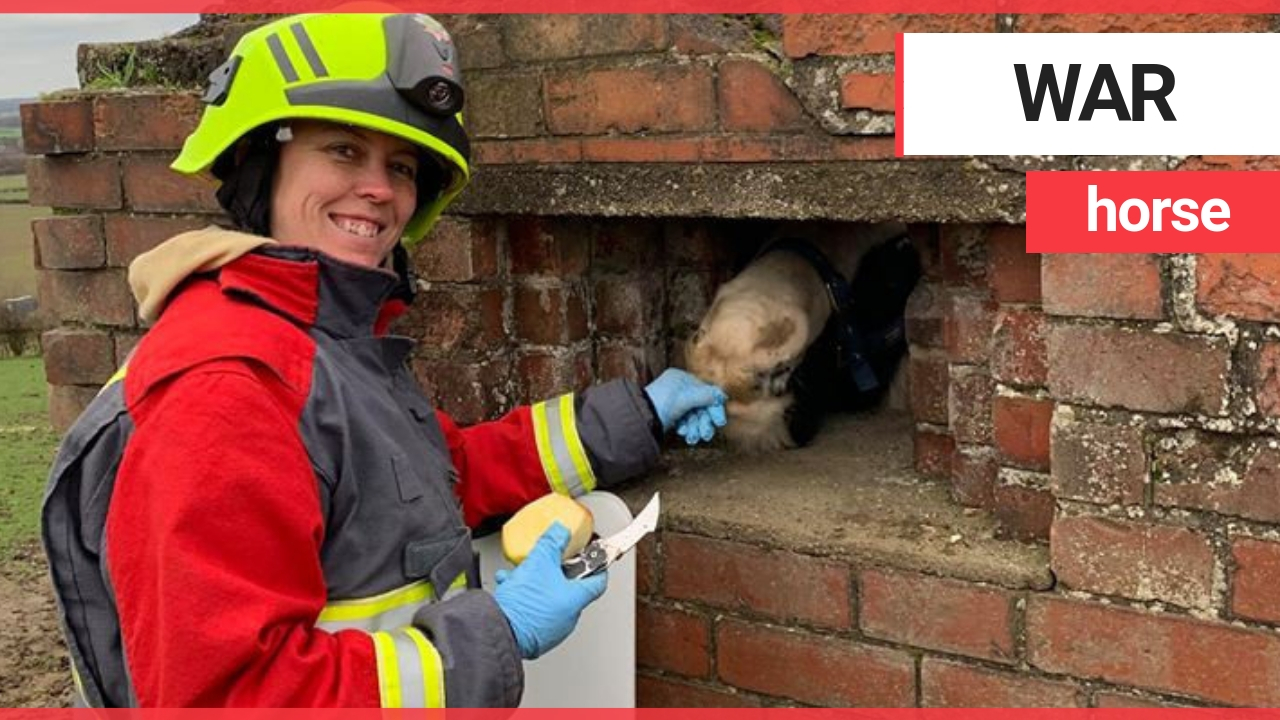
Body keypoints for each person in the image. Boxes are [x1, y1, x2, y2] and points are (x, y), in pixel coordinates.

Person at [40, 13, 727, 709]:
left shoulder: (319, 343)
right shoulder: (226, 389)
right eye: (343, 150)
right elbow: (228, 696)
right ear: (259, 163)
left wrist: (638, 413)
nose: (378, 189)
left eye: (400, 166)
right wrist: (494, 631)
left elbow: (439, 479)